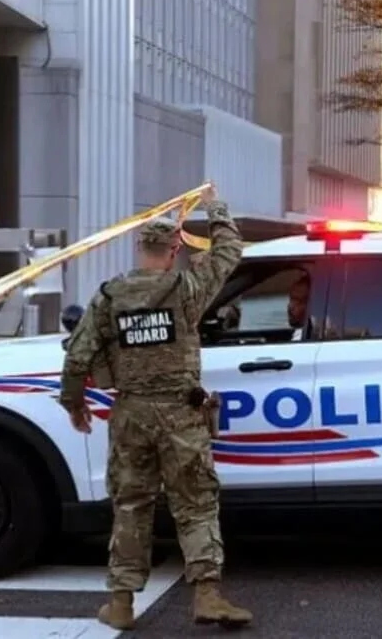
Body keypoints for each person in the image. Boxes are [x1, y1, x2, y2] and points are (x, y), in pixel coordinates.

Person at [58, 183, 251, 631]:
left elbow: (78, 355)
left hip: (132, 417)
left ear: (140, 246)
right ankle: (207, 594)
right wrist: (215, 206)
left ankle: (121, 603)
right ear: (174, 249)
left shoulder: (109, 296)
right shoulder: (187, 288)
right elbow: (230, 250)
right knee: (197, 503)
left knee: (131, 506)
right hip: (181, 414)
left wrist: (75, 405)